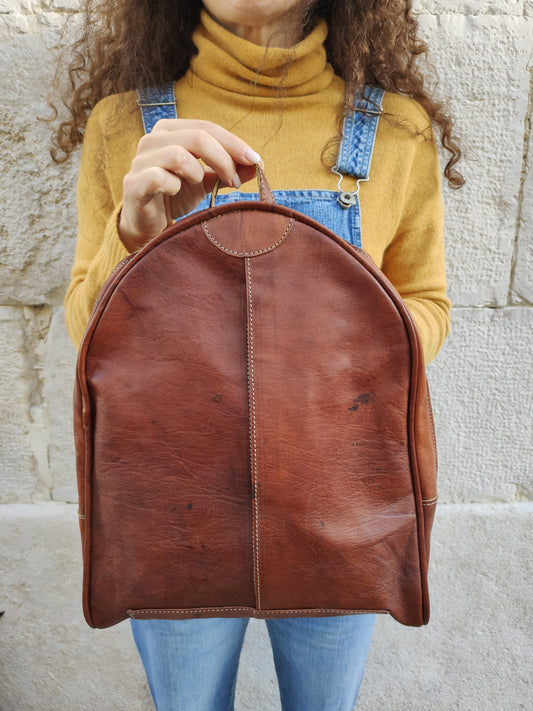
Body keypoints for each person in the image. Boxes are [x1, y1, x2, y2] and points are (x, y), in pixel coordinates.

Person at [51, 1, 463, 709]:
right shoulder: (124, 125)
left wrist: (335, 337)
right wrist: (137, 238)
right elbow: (88, 334)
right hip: (173, 505)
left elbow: (426, 303)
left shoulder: (395, 129)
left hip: (338, 500)